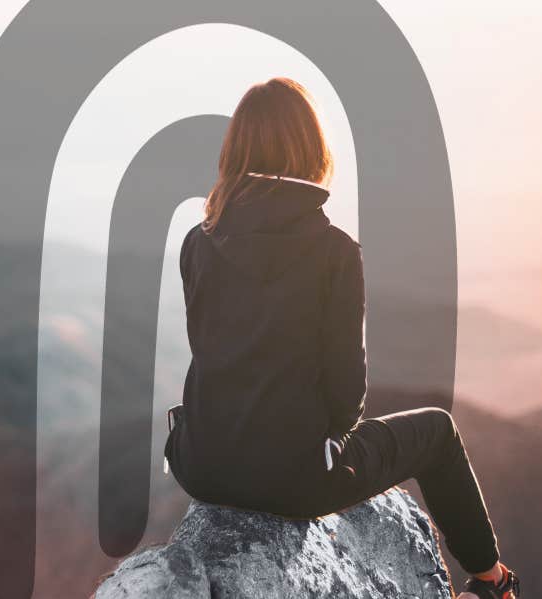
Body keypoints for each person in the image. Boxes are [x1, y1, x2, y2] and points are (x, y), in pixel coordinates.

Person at [163, 77, 519, 599]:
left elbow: (208, 349)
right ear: (312, 151)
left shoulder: (198, 241)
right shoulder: (334, 253)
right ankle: (492, 582)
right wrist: (318, 444)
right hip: (295, 481)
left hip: (200, 465)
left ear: (235, 153)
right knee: (439, 432)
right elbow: (347, 396)